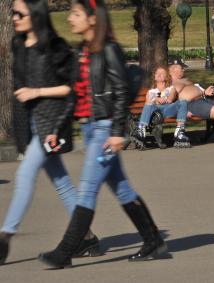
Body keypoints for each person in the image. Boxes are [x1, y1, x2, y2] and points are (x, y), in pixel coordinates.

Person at [38, 0, 166, 269]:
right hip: (90, 128)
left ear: (93, 18)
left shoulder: (108, 50)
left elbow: (120, 92)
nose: (70, 18)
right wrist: (56, 129)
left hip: (105, 129)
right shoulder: (83, 51)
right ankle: (153, 240)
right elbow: (76, 97)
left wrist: (118, 133)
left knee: (86, 190)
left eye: (75, 13)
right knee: (122, 188)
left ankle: (64, 252)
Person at [0, 0, 100, 265]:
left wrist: (38, 91)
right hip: (32, 124)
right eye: (13, 13)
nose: (14, 17)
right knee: (62, 183)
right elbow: (21, 86)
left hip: (51, 127)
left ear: (35, 15)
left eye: (19, 13)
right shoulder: (18, 46)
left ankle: (5, 238)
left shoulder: (56, 48)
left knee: (24, 174)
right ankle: (88, 238)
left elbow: (72, 87)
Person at [134, 66, 191, 148]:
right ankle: (141, 131)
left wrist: (165, 99)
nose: (159, 74)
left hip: (168, 109)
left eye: (162, 73)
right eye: (157, 73)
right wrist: (156, 99)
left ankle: (179, 132)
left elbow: (171, 99)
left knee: (183, 101)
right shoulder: (150, 91)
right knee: (149, 104)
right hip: (155, 112)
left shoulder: (171, 88)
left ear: (166, 77)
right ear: (154, 77)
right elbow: (148, 103)